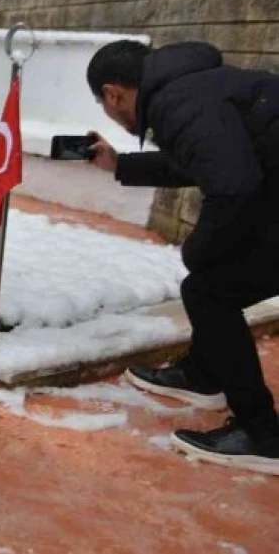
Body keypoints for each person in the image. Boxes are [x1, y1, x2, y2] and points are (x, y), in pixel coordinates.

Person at [85, 40, 279, 474]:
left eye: (105, 103)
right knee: (211, 285)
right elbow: (197, 161)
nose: (110, 111)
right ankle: (204, 374)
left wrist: (197, 250)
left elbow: (233, 185)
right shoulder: (192, 89)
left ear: (113, 93)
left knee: (207, 290)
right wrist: (121, 165)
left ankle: (263, 435)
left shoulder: (177, 103)